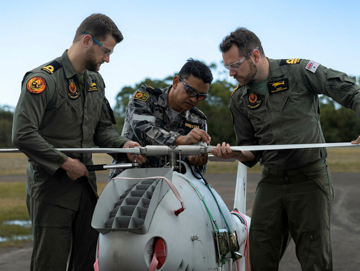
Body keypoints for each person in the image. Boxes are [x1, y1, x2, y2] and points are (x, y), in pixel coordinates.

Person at [211, 27, 360, 271]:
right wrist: (235, 153)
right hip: (272, 181)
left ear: (255, 56)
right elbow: (251, 153)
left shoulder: (300, 71)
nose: (230, 73)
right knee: (259, 254)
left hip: (309, 178)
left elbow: (351, 91)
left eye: (235, 65)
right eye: (227, 66)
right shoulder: (238, 99)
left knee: (315, 258)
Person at [12, 14, 145, 271]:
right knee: (49, 264)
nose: (107, 58)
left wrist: (122, 145)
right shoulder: (44, 80)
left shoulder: (95, 81)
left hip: (86, 190)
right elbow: (22, 134)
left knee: (86, 263)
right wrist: (63, 163)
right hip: (51, 192)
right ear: (87, 41)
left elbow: (102, 129)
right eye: (105, 51)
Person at [109, 58, 212, 180]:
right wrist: (180, 140)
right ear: (175, 81)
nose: (194, 100)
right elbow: (143, 129)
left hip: (173, 188)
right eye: (190, 91)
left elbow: (199, 171)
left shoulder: (198, 119)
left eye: (201, 96)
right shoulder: (146, 98)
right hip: (131, 180)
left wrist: (195, 160)